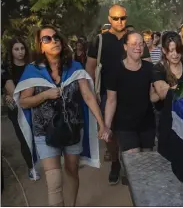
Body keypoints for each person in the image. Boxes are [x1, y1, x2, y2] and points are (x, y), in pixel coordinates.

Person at [15, 25, 109, 206]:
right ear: (40, 46)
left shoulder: (74, 67)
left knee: (72, 170)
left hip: (72, 129)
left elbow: (88, 96)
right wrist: (45, 95)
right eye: (47, 39)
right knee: (54, 180)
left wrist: (102, 124)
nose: (53, 41)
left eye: (56, 37)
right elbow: (24, 102)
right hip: (44, 132)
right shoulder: (33, 70)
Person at [86, 4, 126, 185]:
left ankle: (127, 164)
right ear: (109, 19)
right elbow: (90, 67)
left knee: (128, 130)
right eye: (116, 18)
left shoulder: (133, 39)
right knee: (109, 132)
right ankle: (115, 162)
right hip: (106, 94)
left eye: (122, 18)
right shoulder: (100, 40)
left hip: (130, 93)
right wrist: (92, 91)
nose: (119, 21)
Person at [104, 31, 159, 153]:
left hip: (147, 123)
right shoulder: (115, 70)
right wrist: (106, 126)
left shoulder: (150, 68)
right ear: (125, 46)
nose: (138, 47)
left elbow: (152, 95)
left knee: (147, 160)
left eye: (140, 44)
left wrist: (167, 92)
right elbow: (111, 100)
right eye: (133, 44)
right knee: (134, 159)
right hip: (125, 125)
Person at [2, 38, 40, 180]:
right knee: (24, 139)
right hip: (18, 110)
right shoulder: (7, 70)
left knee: (40, 135)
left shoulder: (33, 66)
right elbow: (14, 92)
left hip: (36, 105)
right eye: (16, 49)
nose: (20, 52)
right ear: (11, 52)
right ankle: (32, 168)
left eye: (22, 48)